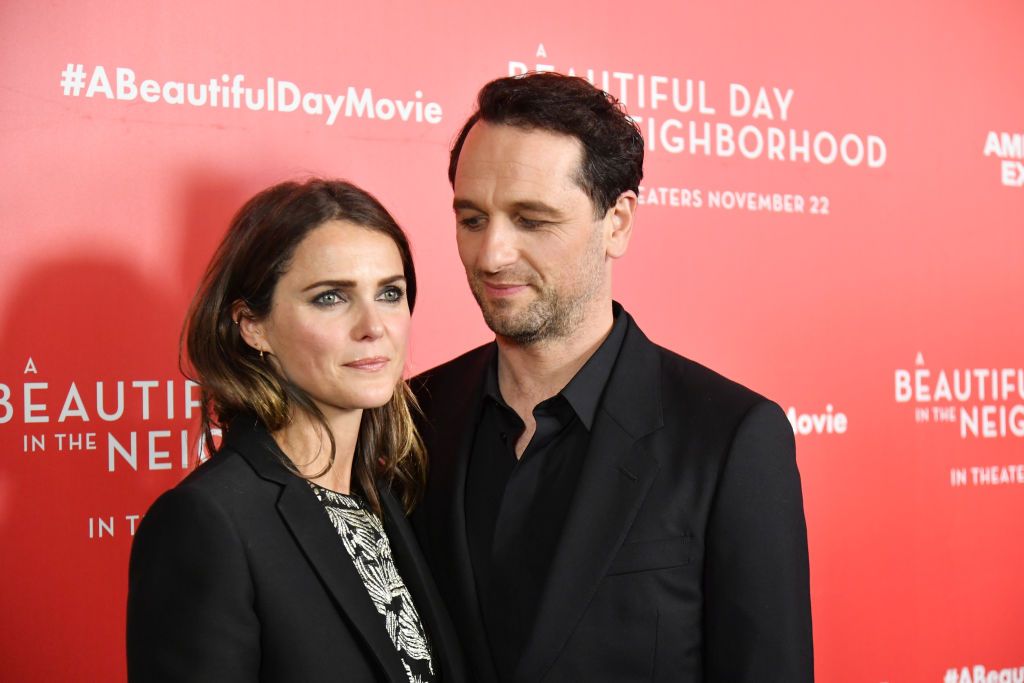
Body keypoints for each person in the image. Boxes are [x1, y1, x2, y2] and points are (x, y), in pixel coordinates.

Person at [411, 73, 813, 682]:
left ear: (618, 222)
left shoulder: (730, 439)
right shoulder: (414, 416)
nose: (491, 254)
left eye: (532, 220)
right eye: (472, 219)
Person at [127, 179, 465, 682]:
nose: (374, 326)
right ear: (252, 325)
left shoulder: (392, 498)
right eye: (331, 297)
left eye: (390, 293)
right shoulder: (209, 522)